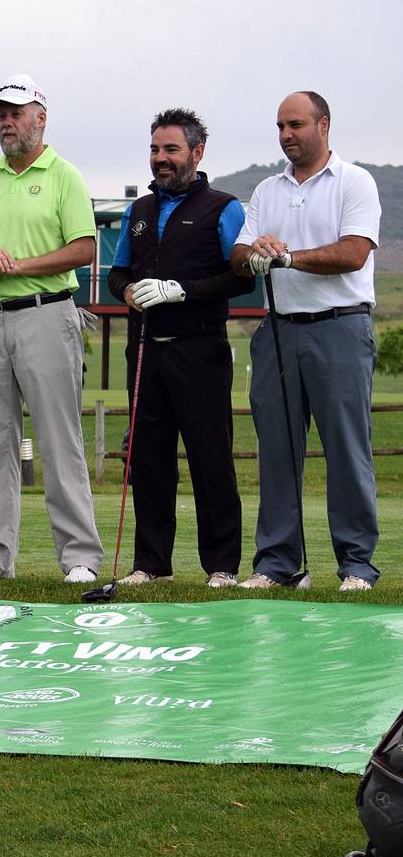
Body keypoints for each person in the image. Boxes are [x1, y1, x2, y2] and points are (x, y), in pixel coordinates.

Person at [0, 74, 104, 586]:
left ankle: (79, 557)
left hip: (48, 313)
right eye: (0, 114)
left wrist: (20, 266)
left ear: (41, 117)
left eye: (15, 112)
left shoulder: (64, 176)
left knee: (60, 441)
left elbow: (84, 249)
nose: (6, 122)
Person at [231, 92, 382, 592]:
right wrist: (256, 251)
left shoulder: (355, 182)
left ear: (324, 125)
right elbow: (238, 254)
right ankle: (276, 564)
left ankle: (356, 565)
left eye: (295, 124)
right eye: (279, 126)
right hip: (277, 330)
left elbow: (354, 252)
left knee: (345, 449)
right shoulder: (267, 190)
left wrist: (288, 257)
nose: (286, 135)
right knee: (276, 451)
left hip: (339, 327)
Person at [106, 108, 253, 588]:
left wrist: (182, 290)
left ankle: (223, 566)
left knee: (210, 458)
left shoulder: (223, 207)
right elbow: (117, 274)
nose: (161, 159)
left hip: (200, 351)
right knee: (148, 460)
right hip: (146, 351)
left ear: (196, 152)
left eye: (171, 150)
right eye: (155, 149)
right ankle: (152, 565)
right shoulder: (140, 211)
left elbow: (241, 278)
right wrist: (128, 292)